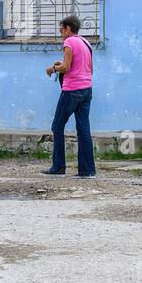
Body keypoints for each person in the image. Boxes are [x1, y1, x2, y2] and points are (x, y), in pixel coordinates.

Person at [43, 15, 95, 178]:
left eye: (61, 29)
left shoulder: (69, 42)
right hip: (87, 90)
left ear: (68, 29)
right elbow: (89, 68)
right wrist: (64, 66)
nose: (60, 33)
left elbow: (66, 67)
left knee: (57, 126)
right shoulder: (86, 42)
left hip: (72, 90)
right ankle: (87, 171)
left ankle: (58, 167)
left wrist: (53, 68)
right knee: (83, 129)